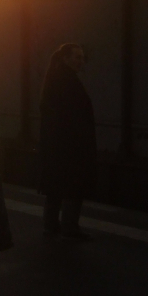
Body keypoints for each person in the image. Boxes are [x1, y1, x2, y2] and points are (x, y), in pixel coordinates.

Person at [38, 43, 97, 240]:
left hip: (56, 143)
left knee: (55, 185)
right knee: (74, 185)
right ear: (65, 59)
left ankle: (50, 225)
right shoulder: (68, 81)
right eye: (76, 57)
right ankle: (70, 227)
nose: (80, 61)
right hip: (71, 144)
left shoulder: (54, 79)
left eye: (82, 57)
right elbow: (75, 115)